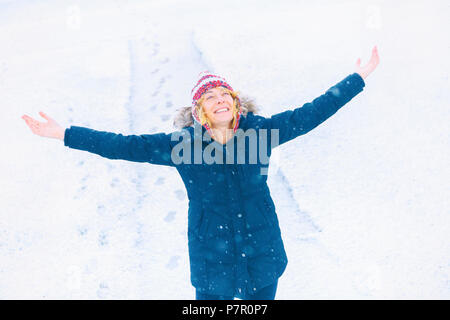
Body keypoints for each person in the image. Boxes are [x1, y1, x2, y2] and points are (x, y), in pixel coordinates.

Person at [21, 46, 380, 300]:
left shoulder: (260, 134)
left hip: (262, 252)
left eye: (226, 94)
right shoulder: (183, 146)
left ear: (235, 103)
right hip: (213, 258)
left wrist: (357, 78)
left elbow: (309, 115)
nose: (221, 99)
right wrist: (64, 133)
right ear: (199, 110)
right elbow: (123, 145)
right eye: (211, 97)